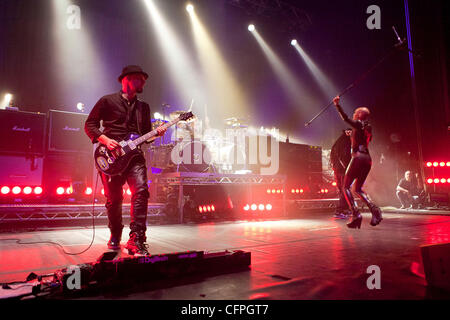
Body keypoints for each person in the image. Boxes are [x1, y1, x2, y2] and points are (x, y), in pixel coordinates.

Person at [85, 65, 166, 256]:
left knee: (141, 191)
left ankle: (137, 238)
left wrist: (157, 134)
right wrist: (105, 140)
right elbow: (90, 124)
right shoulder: (107, 101)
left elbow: (145, 135)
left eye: (144, 79)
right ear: (126, 80)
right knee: (114, 200)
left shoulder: (143, 107)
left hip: (135, 157)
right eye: (139, 78)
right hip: (110, 157)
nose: (143, 82)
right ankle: (115, 234)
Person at [332, 96, 382, 228]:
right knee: (358, 189)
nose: (353, 114)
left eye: (355, 112)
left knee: (345, 187)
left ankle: (356, 214)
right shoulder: (368, 127)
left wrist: (337, 105)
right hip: (367, 159)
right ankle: (375, 210)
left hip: (358, 158)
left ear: (360, 115)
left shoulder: (359, 124)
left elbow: (345, 118)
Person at [330, 129, 352, 218]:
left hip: (337, 170)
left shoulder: (338, 142)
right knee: (345, 189)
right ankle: (340, 210)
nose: (350, 134)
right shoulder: (346, 142)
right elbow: (346, 156)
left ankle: (345, 209)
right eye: (348, 132)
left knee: (343, 190)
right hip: (343, 170)